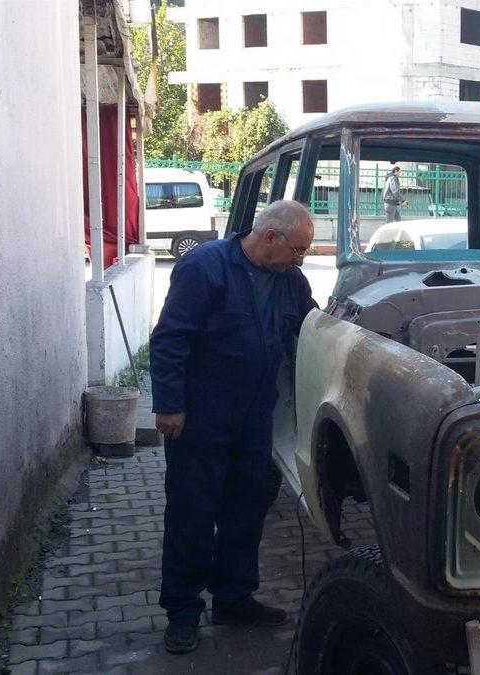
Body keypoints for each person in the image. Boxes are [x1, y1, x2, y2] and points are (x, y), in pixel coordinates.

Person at [148, 200, 318, 654]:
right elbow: (170, 337)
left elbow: (312, 327)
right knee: (192, 514)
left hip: (255, 416)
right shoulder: (205, 268)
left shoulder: (290, 281)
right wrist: (168, 404)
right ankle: (183, 612)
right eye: (298, 249)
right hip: (201, 417)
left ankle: (233, 598)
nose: (301, 259)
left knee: (246, 511)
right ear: (269, 237)